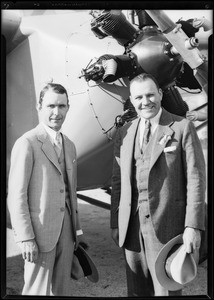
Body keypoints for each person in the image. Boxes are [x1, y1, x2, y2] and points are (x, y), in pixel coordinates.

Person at [110, 73, 206, 297]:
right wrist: (116, 221)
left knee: (166, 292)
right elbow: (117, 180)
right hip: (131, 230)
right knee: (136, 292)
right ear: (132, 100)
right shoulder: (124, 133)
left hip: (168, 229)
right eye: (139, 97)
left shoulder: (182, 127)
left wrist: (193, 226)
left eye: (151, 94)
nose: (146, 102)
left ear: (161, 94)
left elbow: (196, 181)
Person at [7, 83, 88, 296]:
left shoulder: (69, 145)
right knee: (36, 291)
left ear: (68, 108)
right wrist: (25, 238)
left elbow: (71, 192)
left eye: (62, 106)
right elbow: (17, 195)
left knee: (61, 290)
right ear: (39, 107)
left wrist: (76, 231)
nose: (56, 112)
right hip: (40, 234)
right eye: (51, 105)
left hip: (67, 233)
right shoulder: (27, 142)